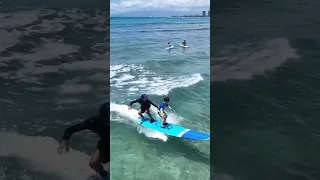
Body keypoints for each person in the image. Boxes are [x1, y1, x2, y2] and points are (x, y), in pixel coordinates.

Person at [57, 102, 110, 179]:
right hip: (106, 144)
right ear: (103, 117)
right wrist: (65, 140)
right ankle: (104, 175)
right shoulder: (94, 122)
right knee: (93, 163)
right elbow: (71, 129)